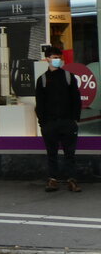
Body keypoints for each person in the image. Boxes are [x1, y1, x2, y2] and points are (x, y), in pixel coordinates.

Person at [34, 46, 82, 193]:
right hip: (50, 123)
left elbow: (76, 99)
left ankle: (71, 180)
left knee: (70, 153)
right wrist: (43, 123)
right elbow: (39, 103)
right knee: (51, 153)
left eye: (59, 58)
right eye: (54, 57)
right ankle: (52, 179)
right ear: (47, 59)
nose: (57, 60)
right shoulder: (42, 79)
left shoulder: (69, 77)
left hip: (67, 122)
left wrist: (74, 120)